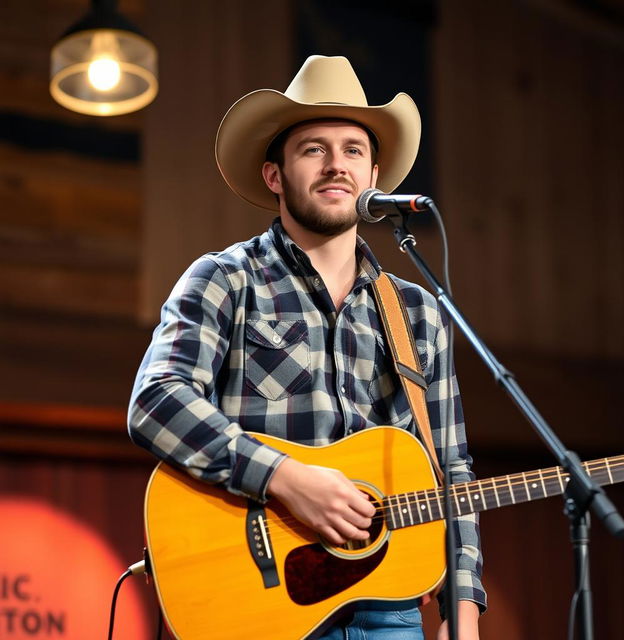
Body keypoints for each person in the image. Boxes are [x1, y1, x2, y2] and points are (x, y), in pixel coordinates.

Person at [128, 55, 486, 639]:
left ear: (373, 176)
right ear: (275, 176)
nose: (336, 165)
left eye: (351, 150)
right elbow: (157, 400)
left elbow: (452, 469)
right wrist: (286, 478)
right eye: (313, 149)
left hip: (388, 607)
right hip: (258, 603)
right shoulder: (225, 279)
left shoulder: (417, 312)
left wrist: (462, 613)